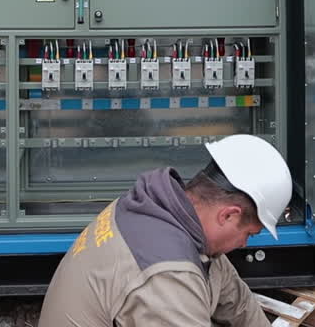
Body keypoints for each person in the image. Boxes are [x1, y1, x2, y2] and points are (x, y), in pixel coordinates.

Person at [38, 134, 293, 327]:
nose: (245, 245)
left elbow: (233, 296)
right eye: (249, 233)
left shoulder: (159, 208)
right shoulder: (166, 272)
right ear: (228, 215)